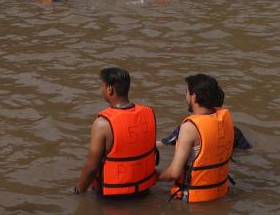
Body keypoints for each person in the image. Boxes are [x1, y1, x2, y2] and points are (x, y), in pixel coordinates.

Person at [73, 67, 159, 197]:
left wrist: (78, 191)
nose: (101, 89)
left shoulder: (103, 124)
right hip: (144, 191)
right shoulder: (148, 113)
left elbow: (91, 168)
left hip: (113, 197)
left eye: (102, 85)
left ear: (110, 89)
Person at [160, 74, 234, 203]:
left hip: (193, 199)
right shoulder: (224, 119)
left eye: (187, 92)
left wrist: (151, 177)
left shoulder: (189, 127)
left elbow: (174, 173)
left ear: (194, 97)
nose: (186, 96)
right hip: (221, 192)